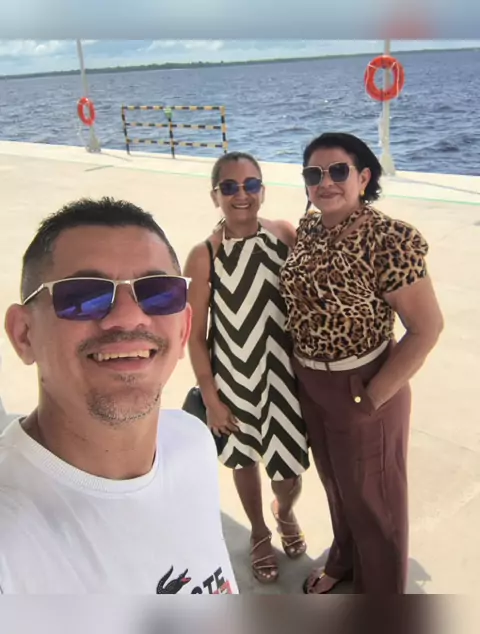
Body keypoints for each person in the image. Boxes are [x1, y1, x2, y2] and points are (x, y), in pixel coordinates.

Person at [0, 197, 237, 595]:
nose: (129, 317)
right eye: (83, 296)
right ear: (24, 335)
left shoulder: (192, 442)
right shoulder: (11, 540)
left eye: (158, 292)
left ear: (183, 330)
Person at [279, 132, 444, 594]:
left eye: (338, 171)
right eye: (314, 174)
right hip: (312, 382)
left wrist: (372, 398)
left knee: (376, 502)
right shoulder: (310, 229)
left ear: (364, 177)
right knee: (338, 487)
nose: (325, 182)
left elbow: (427, 328)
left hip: (364, 382)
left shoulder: (389, 239)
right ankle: (345, 561)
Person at [184, 152, 310, 584]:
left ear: (263, 190)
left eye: (251, 184)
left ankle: (284, 511)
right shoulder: (204, 255)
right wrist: (211, 397)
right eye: (230, 187)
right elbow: (194, 336)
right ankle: (258, 530)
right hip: (234, 378)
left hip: (286, 378)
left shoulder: (284, 234)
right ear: (215, 195)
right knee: (244, 461)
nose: (242, 194)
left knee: (289, 470)